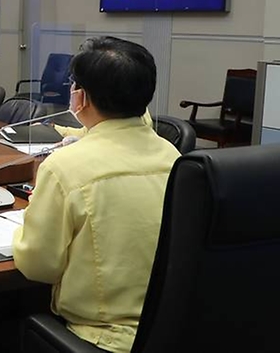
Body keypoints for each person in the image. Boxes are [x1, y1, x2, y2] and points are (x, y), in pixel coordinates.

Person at [13, 37, 180, 353]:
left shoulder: (64, 167)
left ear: (82, 97)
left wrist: (21, 227)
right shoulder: (172, 155)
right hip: (167, 327)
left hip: (100, 337)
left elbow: (39, 266)